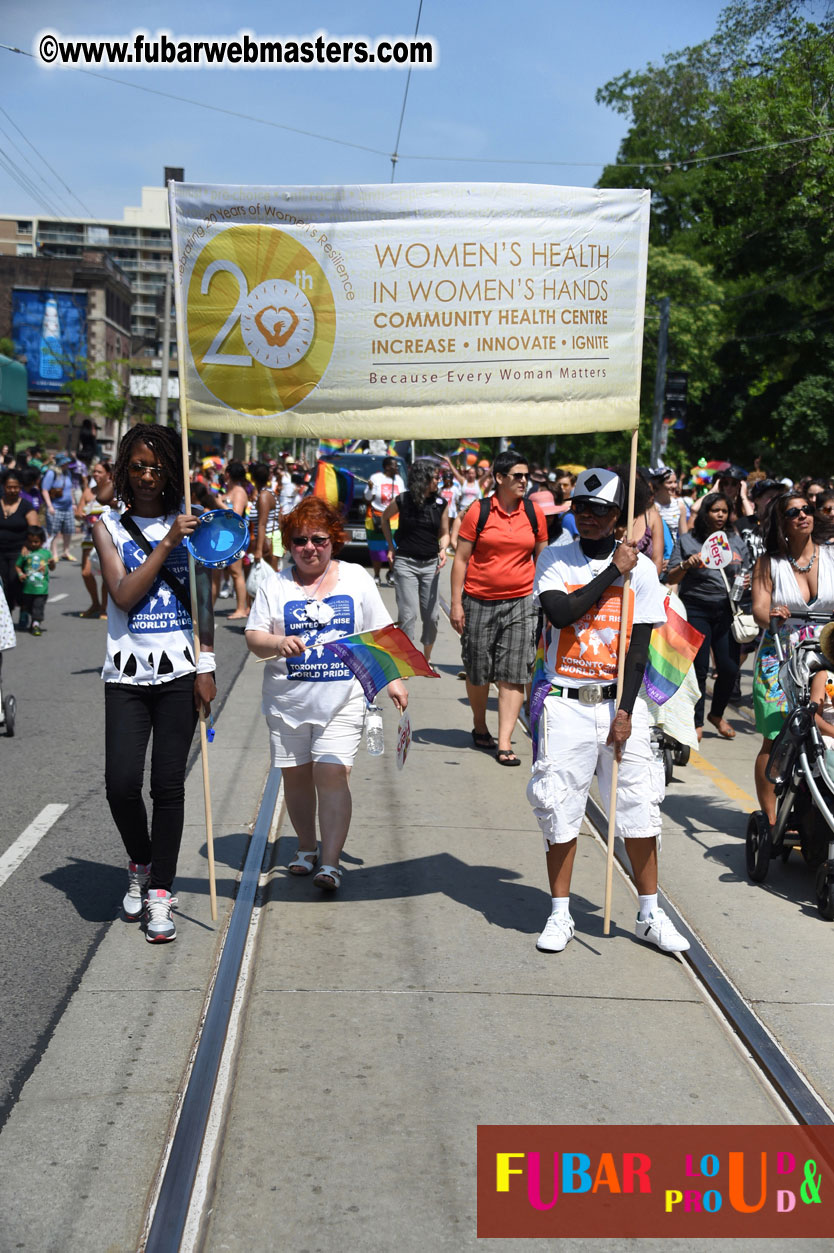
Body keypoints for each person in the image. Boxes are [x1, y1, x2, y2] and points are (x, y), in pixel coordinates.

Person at [527, 467, 690, 955]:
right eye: (581, 509)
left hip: (619, 706)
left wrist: (624, 711)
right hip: (565, 702)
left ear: (618, 517)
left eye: (599, 511)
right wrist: (612, 571)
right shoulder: (556, 558)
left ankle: (648, 913)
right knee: (559, 808)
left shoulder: (642, 571)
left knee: (640, 809)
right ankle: (560, 915)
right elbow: (560, 613)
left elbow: (639, 649)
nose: (589, 518)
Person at [245, 497, 407, 891]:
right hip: (287, 702)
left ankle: (330, 862)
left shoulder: (356, 578)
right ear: (289, 544)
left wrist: (393, 679)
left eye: (318, 539)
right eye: (299, 540)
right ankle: (305, 847)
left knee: (331, 772)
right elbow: (254, 637)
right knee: (296, 779)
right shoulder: (275, 584)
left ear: (334, 539)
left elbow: (381, 634)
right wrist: (277, 642)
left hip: (343, 699)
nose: (309, 548)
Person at [93, 423, 216, 943]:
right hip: (125, 672)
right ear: (125, 469)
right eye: (138, 466)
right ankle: (140, 865)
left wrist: (207, 665)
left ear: (171, 469)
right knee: (121, 784)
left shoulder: (195, 524)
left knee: (167, 786)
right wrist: (168, 541)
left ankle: (161, 892)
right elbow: (121, 595)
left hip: (180, 672)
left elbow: (205, 600)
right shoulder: (106, 526)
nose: (146, 476)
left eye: (156, 466)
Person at [450, 451, 547, 765]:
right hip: (478, 600)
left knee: (514, 671)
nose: (523, 480)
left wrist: (545, 600)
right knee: (479, 670)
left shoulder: (534, 513)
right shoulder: (478, 512)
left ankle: (504, 741)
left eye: (525, 475)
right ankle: (480, 724)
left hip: (521, 601)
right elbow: (461, 560)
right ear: (500, 478)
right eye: (517, 475)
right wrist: (455, 604)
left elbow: (542, 562)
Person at [751, 492, 834, 825]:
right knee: (776, 735)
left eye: (807, 510)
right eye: (793, 512)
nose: (803, 515)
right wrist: (772, 615)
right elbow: (758, 608)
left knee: (823, 728)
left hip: (827, 652)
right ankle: (771, 820)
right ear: (782, 521)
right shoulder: (769, 562)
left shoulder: (830, 557)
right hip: (781, 655)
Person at [665, 491, 748, 740]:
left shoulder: (735, 539)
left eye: (724, 510)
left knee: (730, 667)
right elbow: (670, 577)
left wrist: (746, 580)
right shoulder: (689, 540)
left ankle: (717, 714)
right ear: (705, 513)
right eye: (715, 510)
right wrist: (687, 565)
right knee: (699, 669)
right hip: (696, 608)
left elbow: (747, 570)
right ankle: (696, 721)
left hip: (725, 610)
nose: (720, 515)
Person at [380, 460, 450, 669]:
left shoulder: (440, 504)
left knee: (432, 616)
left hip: (431, 564)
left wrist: (443, 549)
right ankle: (405, 661)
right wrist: (391, 547)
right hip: (405, 563)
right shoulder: (403, 500)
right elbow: (384, 519)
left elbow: (445, 533)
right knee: (408, 615)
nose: (439, 481)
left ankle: (426, 658)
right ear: (424, 479)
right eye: (435, 477)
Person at [76, 459, 114, 617]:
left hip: (107, 536)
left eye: (100, 472)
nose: (96, 474)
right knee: (86, 572)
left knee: (106, 573)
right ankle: (95, 603)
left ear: (108, 474)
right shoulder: (88, 492)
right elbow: (78, 512)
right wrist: (81, 514)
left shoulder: (113, 491)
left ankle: (105, 607)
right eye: (95, 472)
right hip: (89, 536)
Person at [0, 470, 39, 613]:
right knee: (2, 584)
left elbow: (35, 529)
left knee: (14, 581)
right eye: (9, 487)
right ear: (3, 486)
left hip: (19, 550)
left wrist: (27, 546)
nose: (12, 490)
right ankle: (6, 614)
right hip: (1, 551)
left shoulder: (26, 506)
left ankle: (23, 608)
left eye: (16, 487)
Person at [364, 456, 405, 584]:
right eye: (394, 465)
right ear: (387, 467)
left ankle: (391, 573)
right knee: (377, 548)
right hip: (376, 518)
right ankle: (376, 575)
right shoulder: (376, 478)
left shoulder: (398, 479)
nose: (397, 468)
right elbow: (367, 499)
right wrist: (370, 489)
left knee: (393, 547)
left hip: (394, 520)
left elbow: (402, 497)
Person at [222, 460, 251, 619]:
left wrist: (219, 503)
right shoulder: (230, 490)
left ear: (228, 474)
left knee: (236, 572)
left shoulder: (239, 491)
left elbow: (236, 514)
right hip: (225, 536)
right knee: (227, 573)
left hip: (236, 537)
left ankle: (241, 608)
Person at [16, 525, 55, 635]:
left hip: (41, 589)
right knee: (27, 606)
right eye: (30, 541)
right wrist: (20, 574)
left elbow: (52, 568)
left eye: (36, 542)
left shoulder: (46, 554)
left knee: (38, 607)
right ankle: (25, 615)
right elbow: (18, 565)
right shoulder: (25, 553)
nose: (33, 544)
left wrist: (52, 563)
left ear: (42, 541)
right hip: (27, 588)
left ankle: (36, 623)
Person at [42, 453, 77, 561]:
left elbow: (70, 489)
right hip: (55, 507)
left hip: (68, 507)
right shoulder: (51, 473)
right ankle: (54, 553)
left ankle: (66, 552)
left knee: (68, 530)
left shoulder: (67, 473)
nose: (67, 465)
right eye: (65, 463)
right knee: (54, 531)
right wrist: (49, 506)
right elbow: (45, 490)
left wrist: (73, 502)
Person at [247, 461, 281, 572]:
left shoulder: (264, 495)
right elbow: (279, 518)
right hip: (270, 538)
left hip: (268, 540)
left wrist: (258, 550)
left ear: (252, 478)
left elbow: (262, 524)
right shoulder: (267, 493)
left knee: (271, 580)